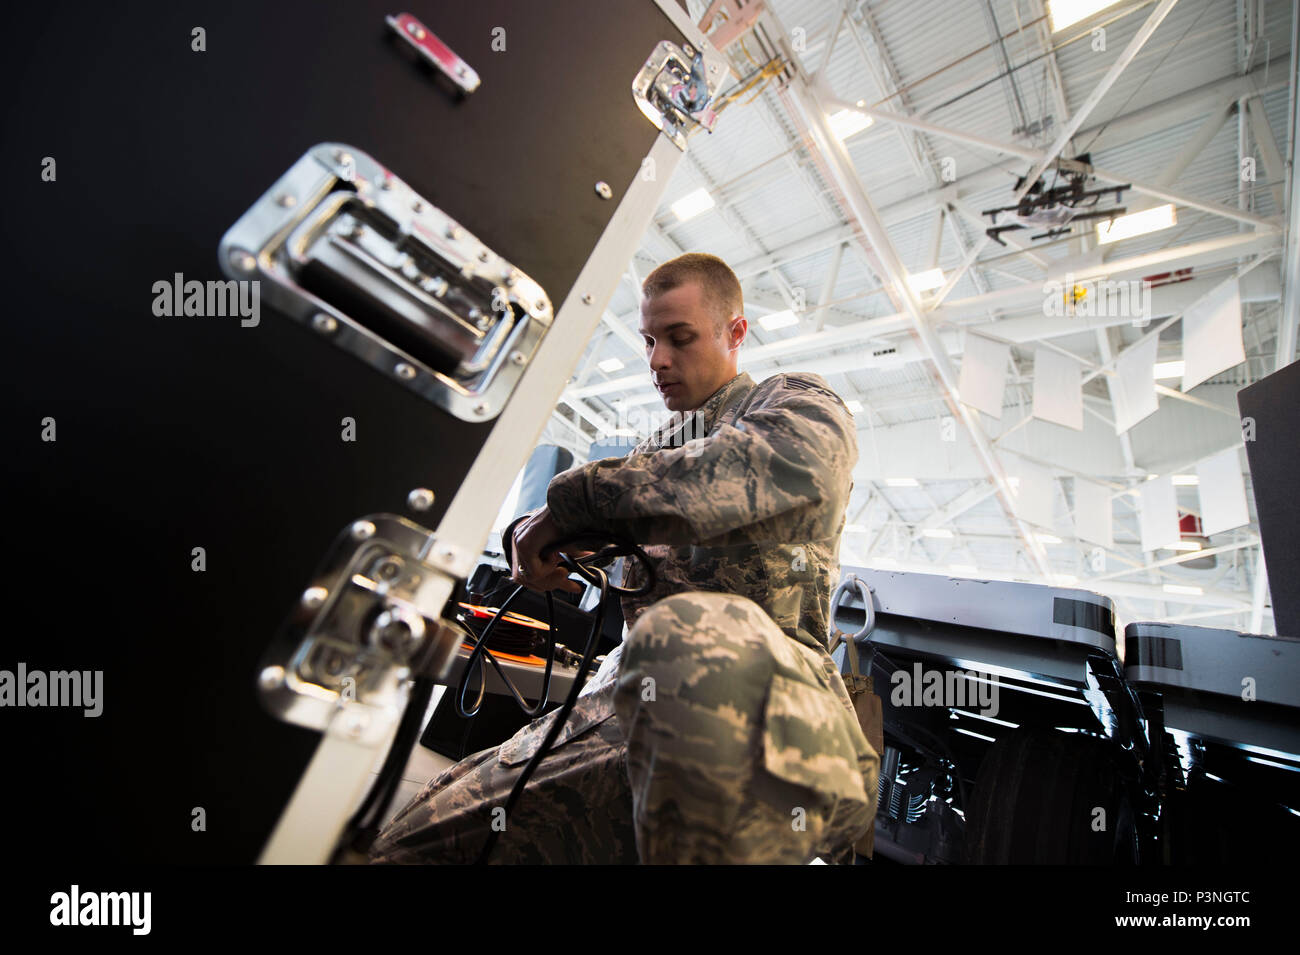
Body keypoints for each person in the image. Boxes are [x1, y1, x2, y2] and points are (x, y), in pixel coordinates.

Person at [369, 252, 879, 864]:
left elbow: (790, 468)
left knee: (684, 631)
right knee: (420, 835)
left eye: (680, 338)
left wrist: (576, 502)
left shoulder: (789, 403)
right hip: (625, 695)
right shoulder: (655, 451)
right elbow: (625, 508)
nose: (658, 360)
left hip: (756, 714)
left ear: (735, 332)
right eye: (648, 341)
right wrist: (549, 540)